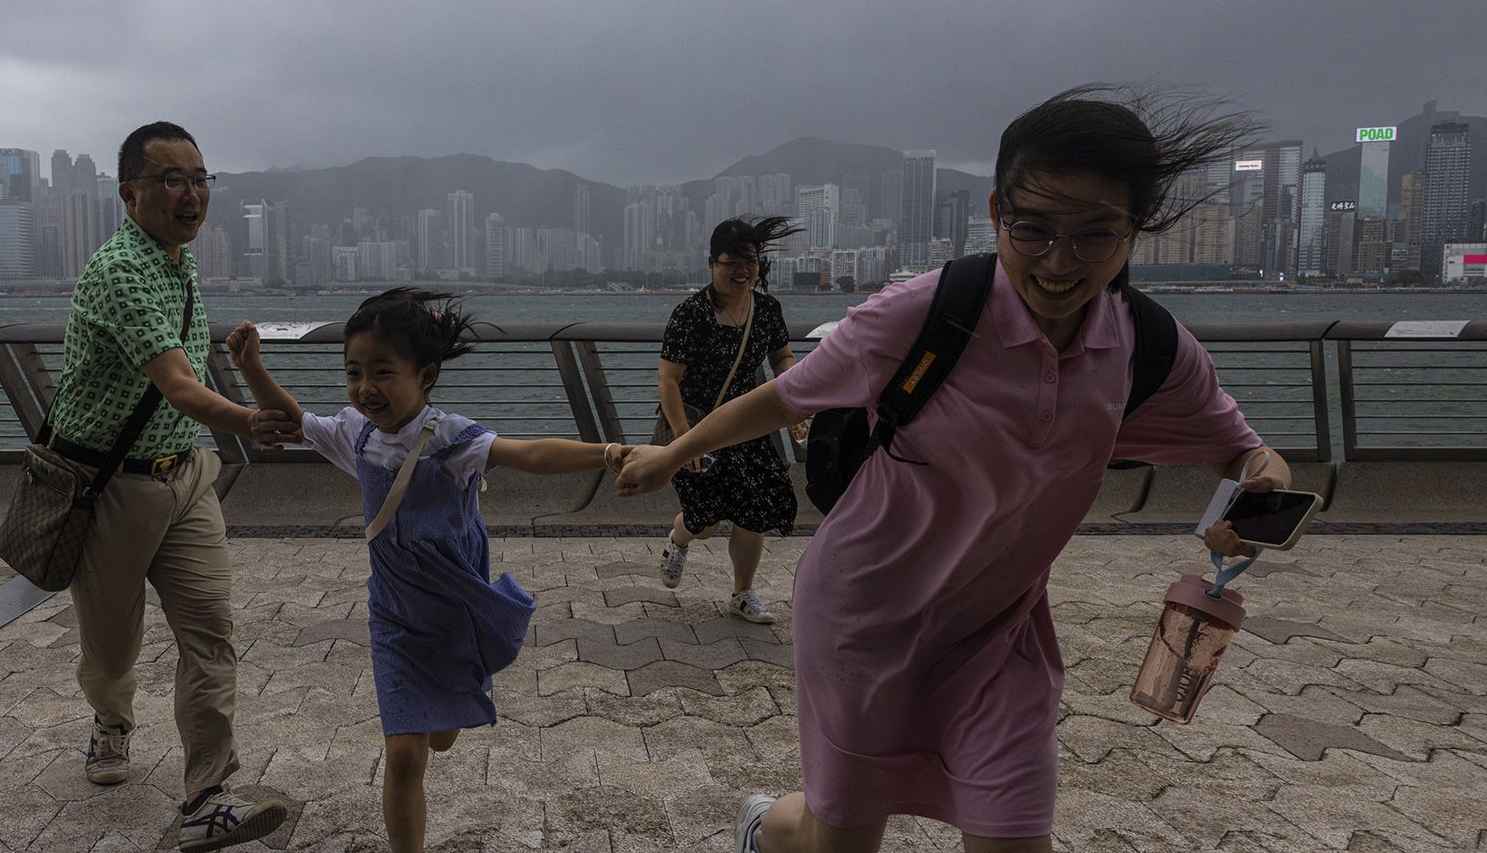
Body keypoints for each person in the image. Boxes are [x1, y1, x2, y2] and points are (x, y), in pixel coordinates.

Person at [615, 86, 1287, 853]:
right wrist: (672, 452)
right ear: (999, 212)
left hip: (999, 639)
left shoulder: (1148, 346)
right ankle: (765, 826)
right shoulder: (927, 312)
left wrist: (1259, 485)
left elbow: (1241, 446)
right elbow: (783, 395)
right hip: (864, 619)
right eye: (1033, 229)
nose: (1060, 263)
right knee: (839, 842)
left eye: (1095, 234)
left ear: (1135, 230)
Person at [225, 288, 630, 853]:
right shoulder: (356, 435)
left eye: (383, 372)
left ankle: (452, 700)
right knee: (406, 752)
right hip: (395, 618)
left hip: (458, 611)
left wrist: (607, 452)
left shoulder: (450, 440)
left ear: (427, 374)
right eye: (354, 372)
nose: (366, 388)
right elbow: (293, 423)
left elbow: (531, 454)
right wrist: (253, 369)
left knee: (441, 739)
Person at [47, 121, 299, 851]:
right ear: (130, 193)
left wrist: (242, 369)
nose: (191, 194)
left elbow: (186, 386)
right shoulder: (120, 270)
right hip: (112, 489)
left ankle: (208, 794)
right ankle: (112, 720)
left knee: (211, 630)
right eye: (171, 180)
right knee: (112, 648)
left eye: (199, 178)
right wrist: (248, 420)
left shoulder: (178, 262)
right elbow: (179, 384)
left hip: (185, 476)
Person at [655, 216, 803, 623]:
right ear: (711, 263)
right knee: (704, 522)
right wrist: (685, 439)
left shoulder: (767, 309)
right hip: (695, 425)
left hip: (746, 424)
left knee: (754, 509)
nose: (742, 271)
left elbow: (781, 358)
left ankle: (743, 593)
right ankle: (678, 540)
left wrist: (797, 398)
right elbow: (668, 381)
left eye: (750, 261)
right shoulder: (691, 314)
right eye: (731, 262)